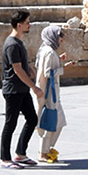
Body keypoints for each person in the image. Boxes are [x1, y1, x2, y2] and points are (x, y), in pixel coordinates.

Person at [0, 9, 42, 170]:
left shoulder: (19, 43)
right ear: (19, 25)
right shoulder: (11, 44)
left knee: (32, 119)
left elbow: (20, 65)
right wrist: (34, 87)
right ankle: (5, 158)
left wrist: (29, 68)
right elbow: (16, 69)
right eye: (27, 23)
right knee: (10, 123)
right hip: (13, 90)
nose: (29, 25)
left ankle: (20, 153)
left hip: (21, 89)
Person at [35, 24, 73, 163]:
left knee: (57, 121)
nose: (60, 40)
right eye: (59, 38)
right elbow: (48, 73)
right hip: (49, 93)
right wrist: (63, 68)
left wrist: (59, 61)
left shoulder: (46, 49)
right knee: (50, 122)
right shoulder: (50, 52)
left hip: (49, 92)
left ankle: (46, 149)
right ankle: (43, 152)